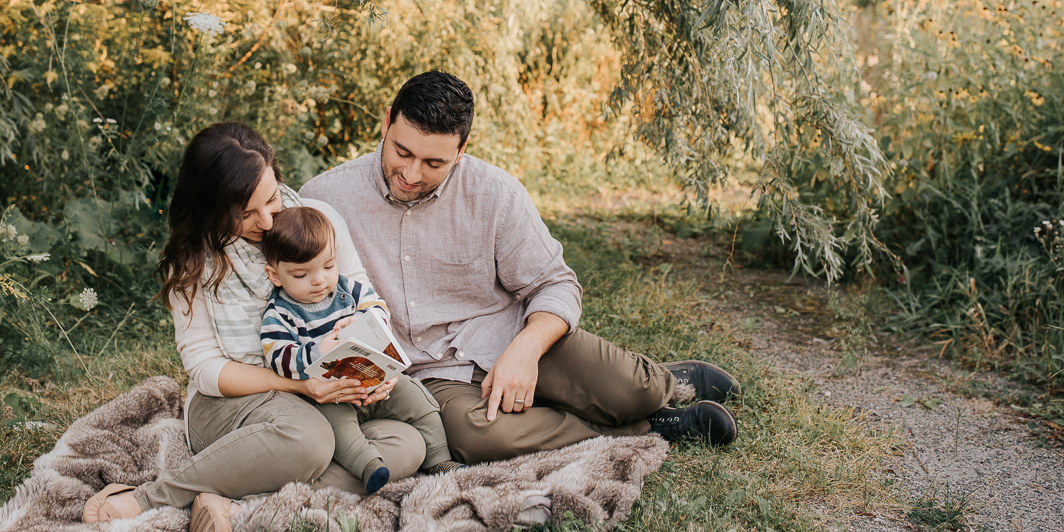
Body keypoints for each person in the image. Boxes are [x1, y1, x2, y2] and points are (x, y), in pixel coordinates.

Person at [301, 71, 740, 466]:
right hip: (425, 376)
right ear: (386, 122)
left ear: (462, 149)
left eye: (434, 163)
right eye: (402, 152)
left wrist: (526, 351)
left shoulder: (496, 194)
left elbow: (556, 283)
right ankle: (649, 427)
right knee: (477, 439)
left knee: (632, 390)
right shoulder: (324, 199)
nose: (412, 174)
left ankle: (664, 381)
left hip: (507, 335)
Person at [82, 122, 427, 532]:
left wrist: (375, 371)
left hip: (327, 392)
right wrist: (302, 386)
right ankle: (151, 498)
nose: (266, 220)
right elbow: (206, 368)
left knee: (408, 444)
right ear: (212, 209)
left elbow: (366, 302)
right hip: (235, 399)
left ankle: (233, 501)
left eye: (272, 198)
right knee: (310, 440)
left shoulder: (318, 221)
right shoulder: (194, 263)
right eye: (244, 213)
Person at [259, 206, 461, 492]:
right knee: (338, 428)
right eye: (301, 274)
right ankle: (368, 466)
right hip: (330, 395)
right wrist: (318, 350)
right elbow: (278, 357)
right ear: (275, 275)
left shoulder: (345, 289)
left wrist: (366, 320)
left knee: (416, 396)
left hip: (370, 378)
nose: (319, 280)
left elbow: (377, 305)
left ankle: (440, 459)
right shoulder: (280, 313)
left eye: (328, 266)